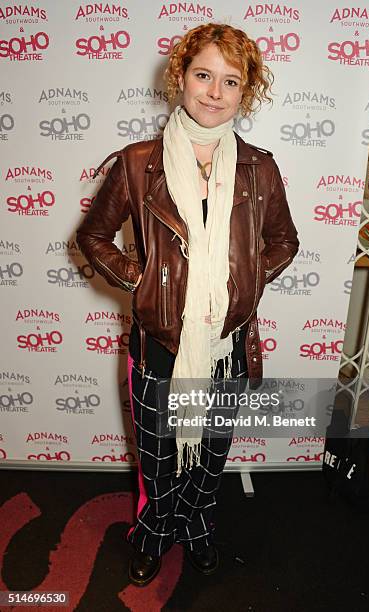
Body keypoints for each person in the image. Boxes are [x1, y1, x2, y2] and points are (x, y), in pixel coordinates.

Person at [77, 22, 299, 587]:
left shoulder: (259, 168)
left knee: (213, 452)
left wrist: (241, 285)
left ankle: (196, 524)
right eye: (203, 75)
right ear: (181, 77)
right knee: (158, 458)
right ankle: (155, 532)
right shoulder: (136, 162)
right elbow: (94, 236)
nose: (214, 92)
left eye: (231, 81)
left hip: (228, 345)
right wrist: (144, 278)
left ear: (245, 93)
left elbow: (284, 243)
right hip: (159, 346)